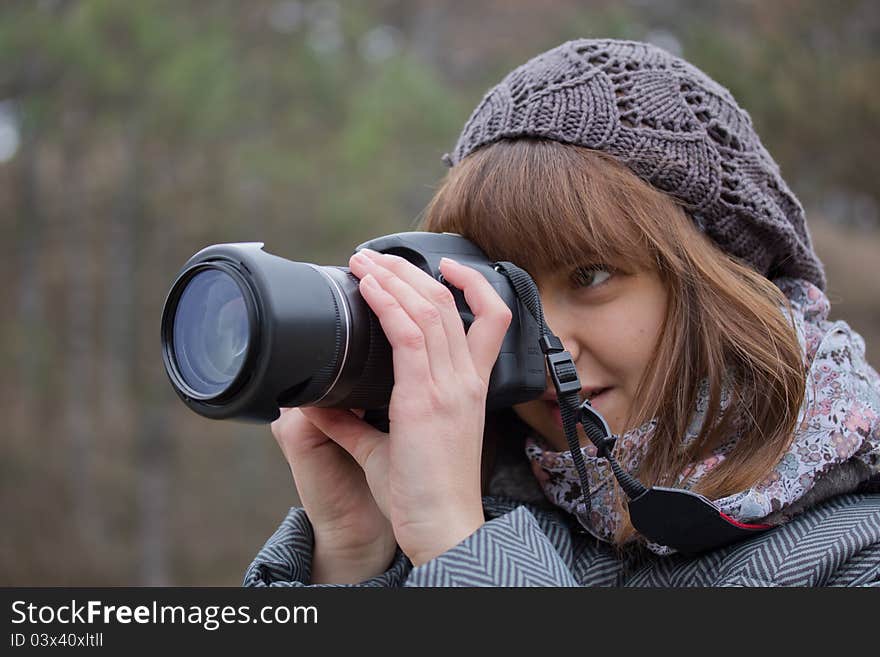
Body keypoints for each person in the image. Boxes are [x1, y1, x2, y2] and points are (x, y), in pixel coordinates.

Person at [243, 38, 880, 587]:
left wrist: (462, 553)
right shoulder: (456, 513)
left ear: (722, 283)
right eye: (499, 293)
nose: (545, 342)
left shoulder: (855, 557)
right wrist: (354, 557)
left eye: (590, 275)